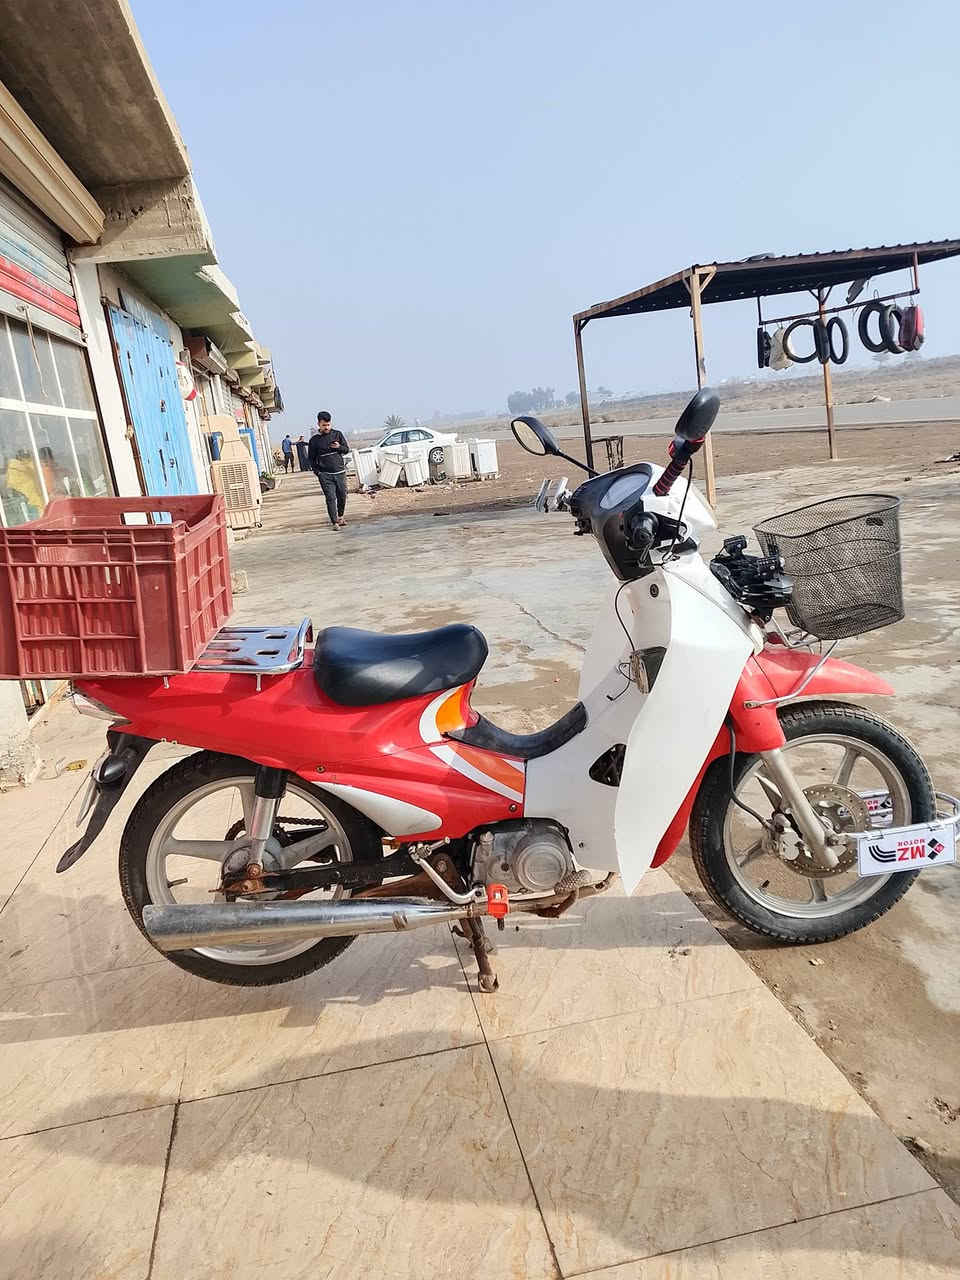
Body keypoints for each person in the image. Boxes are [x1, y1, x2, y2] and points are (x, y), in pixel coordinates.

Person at [307, 410, 349, 530]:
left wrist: (339, 447)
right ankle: (334, 522)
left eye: (328, 425)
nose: (326, 427)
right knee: (330, 497)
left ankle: (340, 517)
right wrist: (318, 472)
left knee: (342, 495)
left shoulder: (337, 434)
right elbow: (311, 459)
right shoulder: (314, 440)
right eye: (324, 425)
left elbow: (346, 450)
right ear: (318, 424)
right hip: (325, 475)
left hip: (340, 472)